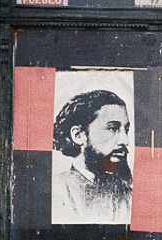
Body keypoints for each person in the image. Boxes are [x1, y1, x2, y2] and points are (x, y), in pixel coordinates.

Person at [51, 89, 132, 224]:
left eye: (126, 130)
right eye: (112, 128)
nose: (125, 141)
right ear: (78, 135)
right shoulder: (54, 191)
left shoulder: (129, 197)